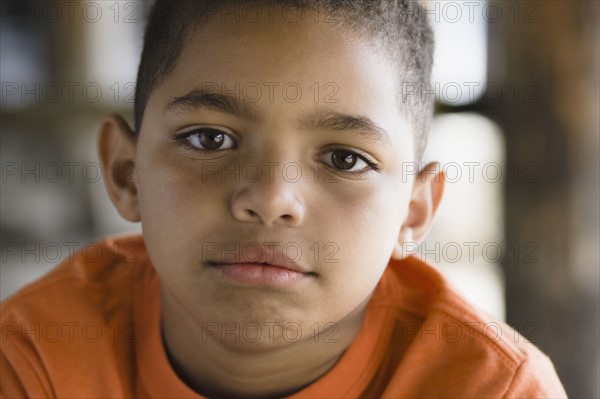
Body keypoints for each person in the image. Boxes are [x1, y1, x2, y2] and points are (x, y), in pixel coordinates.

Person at [1, 1, 567, 397]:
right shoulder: (36, 359)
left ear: (414, 210)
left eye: (345, 159)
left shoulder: (491, 388)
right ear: (127, 173)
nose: (271, 199)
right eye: (209, 139)